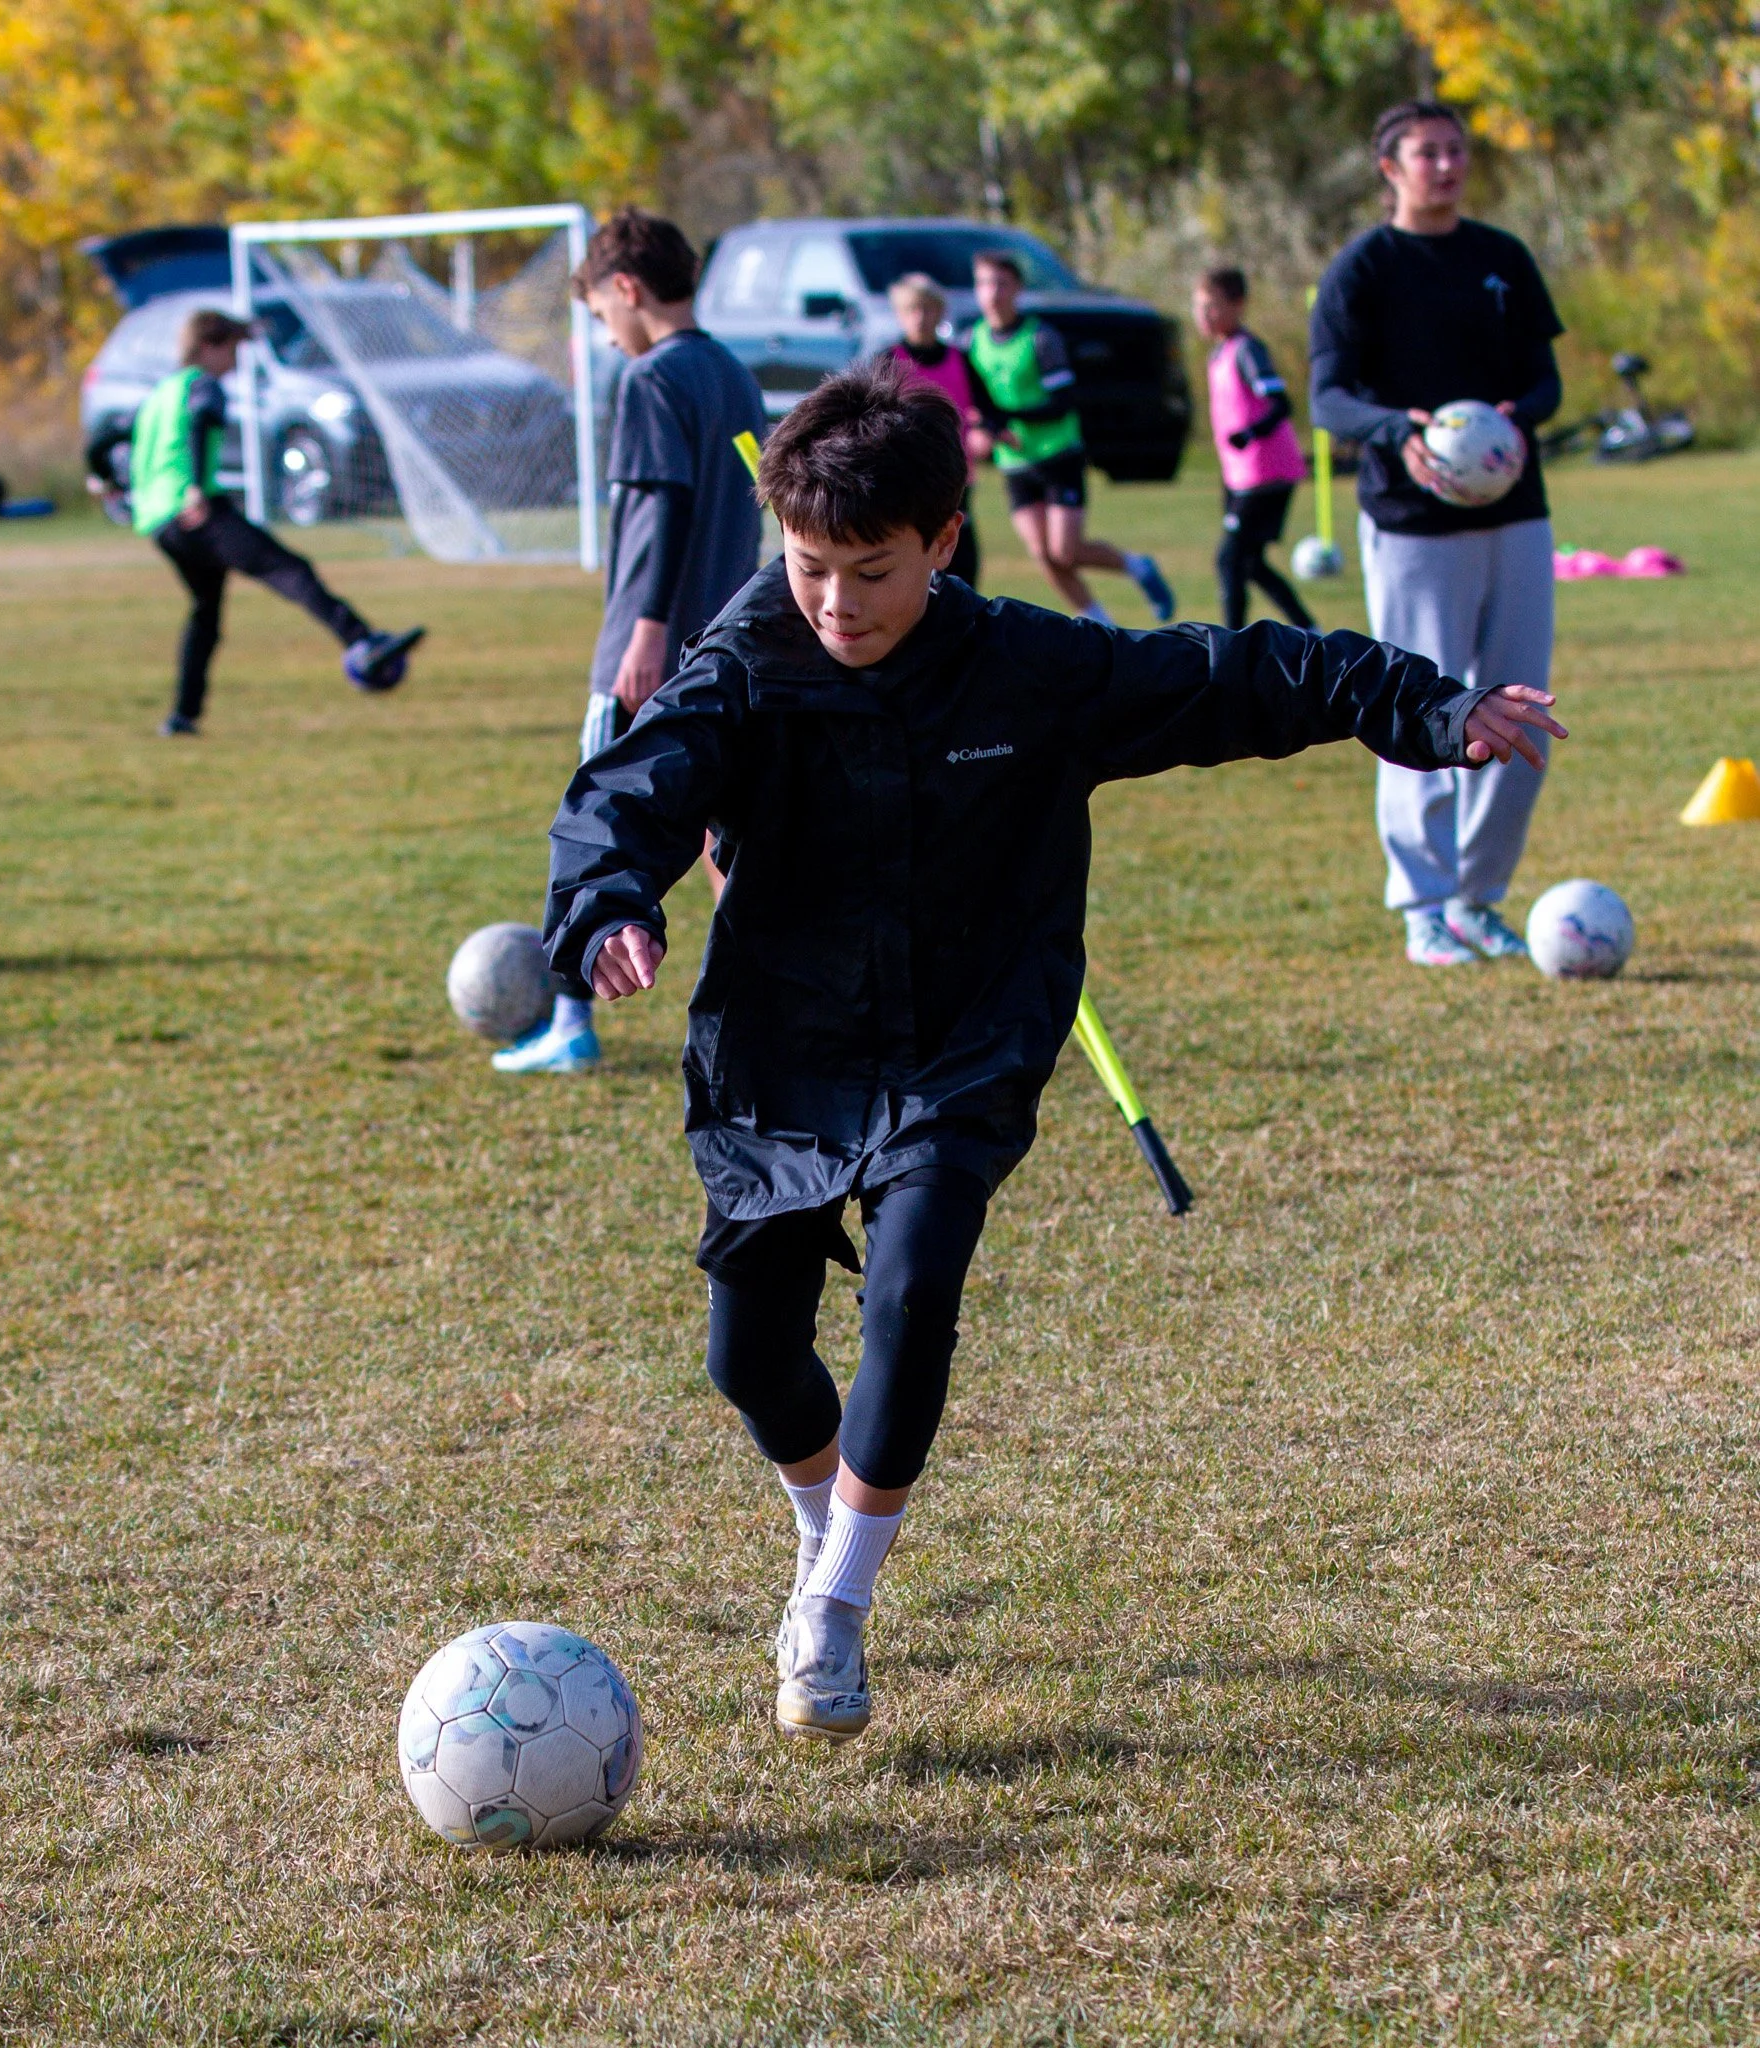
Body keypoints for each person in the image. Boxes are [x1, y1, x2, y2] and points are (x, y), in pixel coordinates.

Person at [543, 362, 1564, 1741]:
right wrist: (607, 903)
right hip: (782, 1044)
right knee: (748, 1360)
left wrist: (1429, 710)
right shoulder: (748, 662)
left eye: (872, 571)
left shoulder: (1030, 665)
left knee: (910, 1293)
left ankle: (834, 1608)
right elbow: (632, 792)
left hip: (969, 1031)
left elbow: (1241, 674)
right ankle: (821, 1522)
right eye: (808, 569)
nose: (836, 604)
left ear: (944, 543)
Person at [494, 207, 767, 1077]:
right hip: (732, 646)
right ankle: (784, 1006)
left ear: (627, 289)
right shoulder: (732, 371)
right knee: (729, 841)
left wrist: (641, 638)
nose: (608, 341)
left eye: (604, 319)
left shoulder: (653, 378)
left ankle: (571, 1022)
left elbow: (658, 511)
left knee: (597, 821)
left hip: (656, 648)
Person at [1310, 99, 1565, 968]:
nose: (1447, 166)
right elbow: (1329, 398)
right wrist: (1398, 432)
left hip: (1516, 513)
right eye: (1428, 153)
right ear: (1391, 167)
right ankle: (1422, 903)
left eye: (1457, 150)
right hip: (1413, 522)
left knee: (1521, 704)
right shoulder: (1363, 270)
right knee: (1421, 699)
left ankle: (1479, 899)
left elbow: (1544, 379)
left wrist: (1518, 416)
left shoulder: (1501, 258)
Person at [130, 310, 423, 737]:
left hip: (160, 523)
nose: (235, 362)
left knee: (205, 614)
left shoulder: (161, 392)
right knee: (288, 569)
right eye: (233, 349)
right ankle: (364, 643)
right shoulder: (202, 385)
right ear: (209, 346)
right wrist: (194, 485)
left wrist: (103, 477)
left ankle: (182, 717)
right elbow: (200, 419)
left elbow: (111, 440)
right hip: (196, 511)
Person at [966, 250, 1177, 625]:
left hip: (1057, 453)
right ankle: (1099, 623)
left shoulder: (1041, 338)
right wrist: (985, 430)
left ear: (1016, 289)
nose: (992, 292)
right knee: (1043, 554)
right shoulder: (976, 341)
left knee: (1066, 550)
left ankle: (1138, 566)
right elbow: (977, 402)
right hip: (1016, 463)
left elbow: (1062, 404)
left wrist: (1006, 423)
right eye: (984, 283)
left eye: (1001, 283)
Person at [1191, 267, 1315, 633]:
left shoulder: (1248, 350)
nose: (1204, 316)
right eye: (1199, 307)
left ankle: (1230, 643)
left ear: (1238, 305)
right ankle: (1311, 629)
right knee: (1250, 563)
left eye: (1212, 307)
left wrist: (1250, 433)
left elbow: (1280, 404)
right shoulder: (1219, 354)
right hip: (1239, 476)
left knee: (1229, 560)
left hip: (1266, 474)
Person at [878, 273, 993, 589]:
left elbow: (987, 407)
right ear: (901, 314)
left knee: (959, 546)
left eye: (928, 309)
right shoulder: (888, 361)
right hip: (907, 473)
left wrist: (986, 429)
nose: (921, 317)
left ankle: (964, 612)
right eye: (913, 310)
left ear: (940, 313)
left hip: (954, 471)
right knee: (914, 543)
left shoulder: (960, 359)